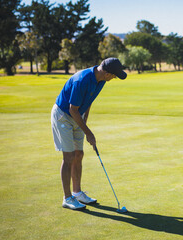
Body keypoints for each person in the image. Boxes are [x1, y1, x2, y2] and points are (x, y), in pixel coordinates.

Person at [51, 58, 127, 210]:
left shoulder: (101, 81)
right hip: (63, 116)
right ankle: (67, 198)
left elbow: (89, 99)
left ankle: (77, 193)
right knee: (69, 157)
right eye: (114, 75)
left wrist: (86, 119)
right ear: (106, 73)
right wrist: (88, 132)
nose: (114, 78)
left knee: (79, 154)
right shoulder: (82, 80)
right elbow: (72, 109)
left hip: (78, 115)